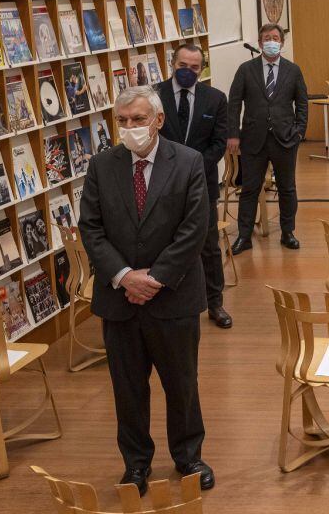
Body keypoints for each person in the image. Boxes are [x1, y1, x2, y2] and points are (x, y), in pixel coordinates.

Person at [78, 86, 213, 496]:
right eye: (122, 121)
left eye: (138, 119)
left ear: (157, 120)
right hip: (120, 300)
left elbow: (194, 229)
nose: (130, 128)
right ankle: (136, 465)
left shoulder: (188, 161)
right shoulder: (102, 165)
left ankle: (188, 456)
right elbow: (91, 228)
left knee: (181, 383)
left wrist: (152, 279)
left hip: (173, 296)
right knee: (128, 388)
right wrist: (123, 276)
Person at [155, 44, 231, 329]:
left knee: (209, 246)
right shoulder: (154, 96)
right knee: (164, 242)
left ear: (202, 69)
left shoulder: (215, 99)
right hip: (163, 185)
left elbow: (218, 144)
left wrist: (193, 168)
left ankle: (216, 303)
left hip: (203, 186)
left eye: (195, 67)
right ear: (172, 63)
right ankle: (166, 296)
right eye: (183, 66)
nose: (188, 72)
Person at [227, 23, 309, 253]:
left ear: (282, 42)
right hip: (253, 139)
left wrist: (300, 131)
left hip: (285, 139)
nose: (271, 41)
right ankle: (244, 236)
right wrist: (233, 134)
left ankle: (287, 232)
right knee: (250, 188)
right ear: (260, 43)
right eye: (266, 38)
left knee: (287, 188)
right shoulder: (246, 69)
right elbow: (233, 104)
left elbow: (302, 103)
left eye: (275, 37)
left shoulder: (293, 70)